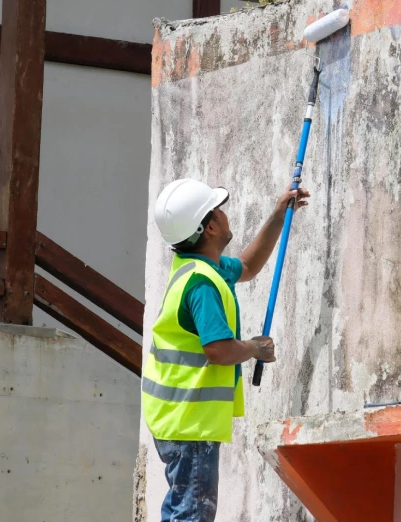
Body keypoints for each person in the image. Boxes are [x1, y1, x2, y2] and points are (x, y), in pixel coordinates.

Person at [143, 178, 310, 522]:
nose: (224, 213)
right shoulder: (202, 284)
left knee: (180, 509)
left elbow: (248, 266)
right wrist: (254, 348)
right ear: (212, 225)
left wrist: (278, 216)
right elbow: (217, 349)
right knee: (192, 513)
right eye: (218, 208)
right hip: (191, 422)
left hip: (176, 419)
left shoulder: (201, 268)